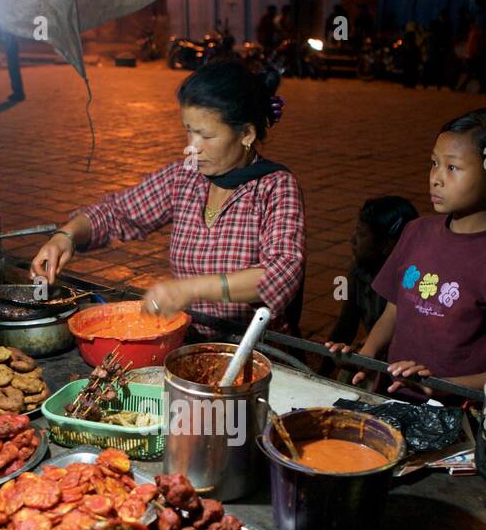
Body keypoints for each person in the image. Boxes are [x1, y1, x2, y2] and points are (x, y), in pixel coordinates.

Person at [30, 59, 305, 337]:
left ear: (246, 134)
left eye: (205, 135)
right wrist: (66, 236)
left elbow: (282, 273)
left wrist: (192, 288)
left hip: (255, 349)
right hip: (191, 340)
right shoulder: (185, 178)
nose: (192, 147)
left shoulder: (275, 187)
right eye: (188, 130)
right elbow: (116, 213)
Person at [327, 108, 486, 401]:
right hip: (391, 396)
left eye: (452, 168)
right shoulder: (417, 231)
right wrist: (367, 355)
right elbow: (395, 308)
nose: (435, 179)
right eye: (434, 164)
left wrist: (440, 387)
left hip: (455, 413)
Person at [327, 196, 419, 349]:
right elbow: (346, 324)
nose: (353, 239)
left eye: (362, 234)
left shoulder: (409, 281)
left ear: (388, 245)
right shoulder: (360, 268)